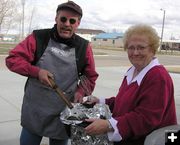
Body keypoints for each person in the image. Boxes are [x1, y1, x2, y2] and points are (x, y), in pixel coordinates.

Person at [5, 1, 98, 145]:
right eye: (63, 19)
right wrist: (36, 72)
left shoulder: (84, 47)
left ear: (77, 23)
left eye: (72, 21)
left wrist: (81, 92)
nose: (67, 24)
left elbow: (90, 77)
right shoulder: (38, 38)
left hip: (63, 114)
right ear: (56, 19)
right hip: (35, 110)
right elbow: (12, 60)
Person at [84, 24, 177, 145]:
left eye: (141, 47)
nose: (135, 52)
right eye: (131, 47)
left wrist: (109, 125)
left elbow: (146, 118)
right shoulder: (132, 71)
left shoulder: (158, 76)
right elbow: (123, 103)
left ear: (153, 49)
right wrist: (100, 101)